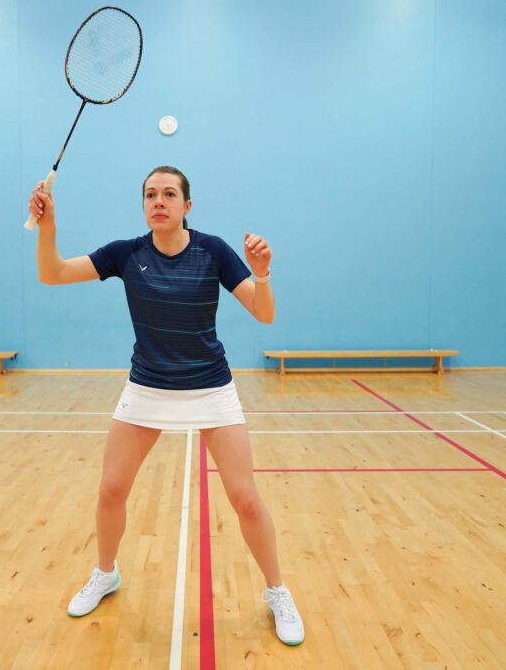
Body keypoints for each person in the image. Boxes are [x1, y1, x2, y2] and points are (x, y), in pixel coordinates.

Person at [28, 166, 304, 646]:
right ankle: (106, 573)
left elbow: (265, 312)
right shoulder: (126, 254)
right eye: (151, 194)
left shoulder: (213, 251)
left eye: (169, 194)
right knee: (111, 491)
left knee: (245, 499)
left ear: (187, 206)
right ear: (144, 205)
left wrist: (262, 275)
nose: (159, 201)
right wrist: (48, 225)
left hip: (210, 388)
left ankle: (277, 591)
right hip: (148, 387)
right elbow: (51, 274)